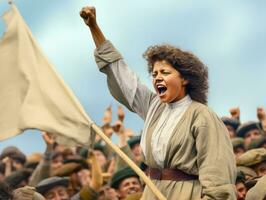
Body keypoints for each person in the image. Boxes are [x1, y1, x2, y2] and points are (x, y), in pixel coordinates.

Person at [80, 6, 236, 199]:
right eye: (154, 74)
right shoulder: (153, 106)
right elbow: (122, 76)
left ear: (185, 79)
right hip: (152, 192)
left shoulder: (202, 115)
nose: (157, 78)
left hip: (186, 194)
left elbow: (218, 175)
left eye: (165, 72)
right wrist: (94, 27)